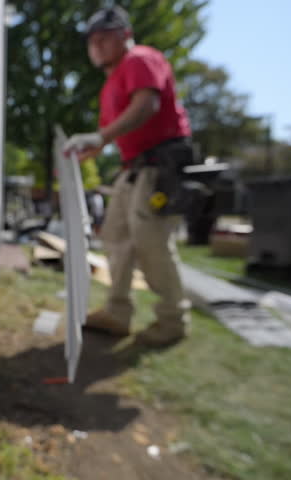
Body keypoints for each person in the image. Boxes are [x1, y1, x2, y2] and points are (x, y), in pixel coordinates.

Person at [64, 5, 192, 346]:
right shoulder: (110, 84)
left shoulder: (140, 59)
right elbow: (120, 129)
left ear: (125, 36)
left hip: (158, 165)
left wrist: (101, 137)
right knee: (115, 237)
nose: (98, 46)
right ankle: (117, 314)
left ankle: (173, 319)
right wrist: (95, 146)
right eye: (93, 41)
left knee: (151, 242)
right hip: (132, 168)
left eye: (105, 38)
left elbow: (146, 106)